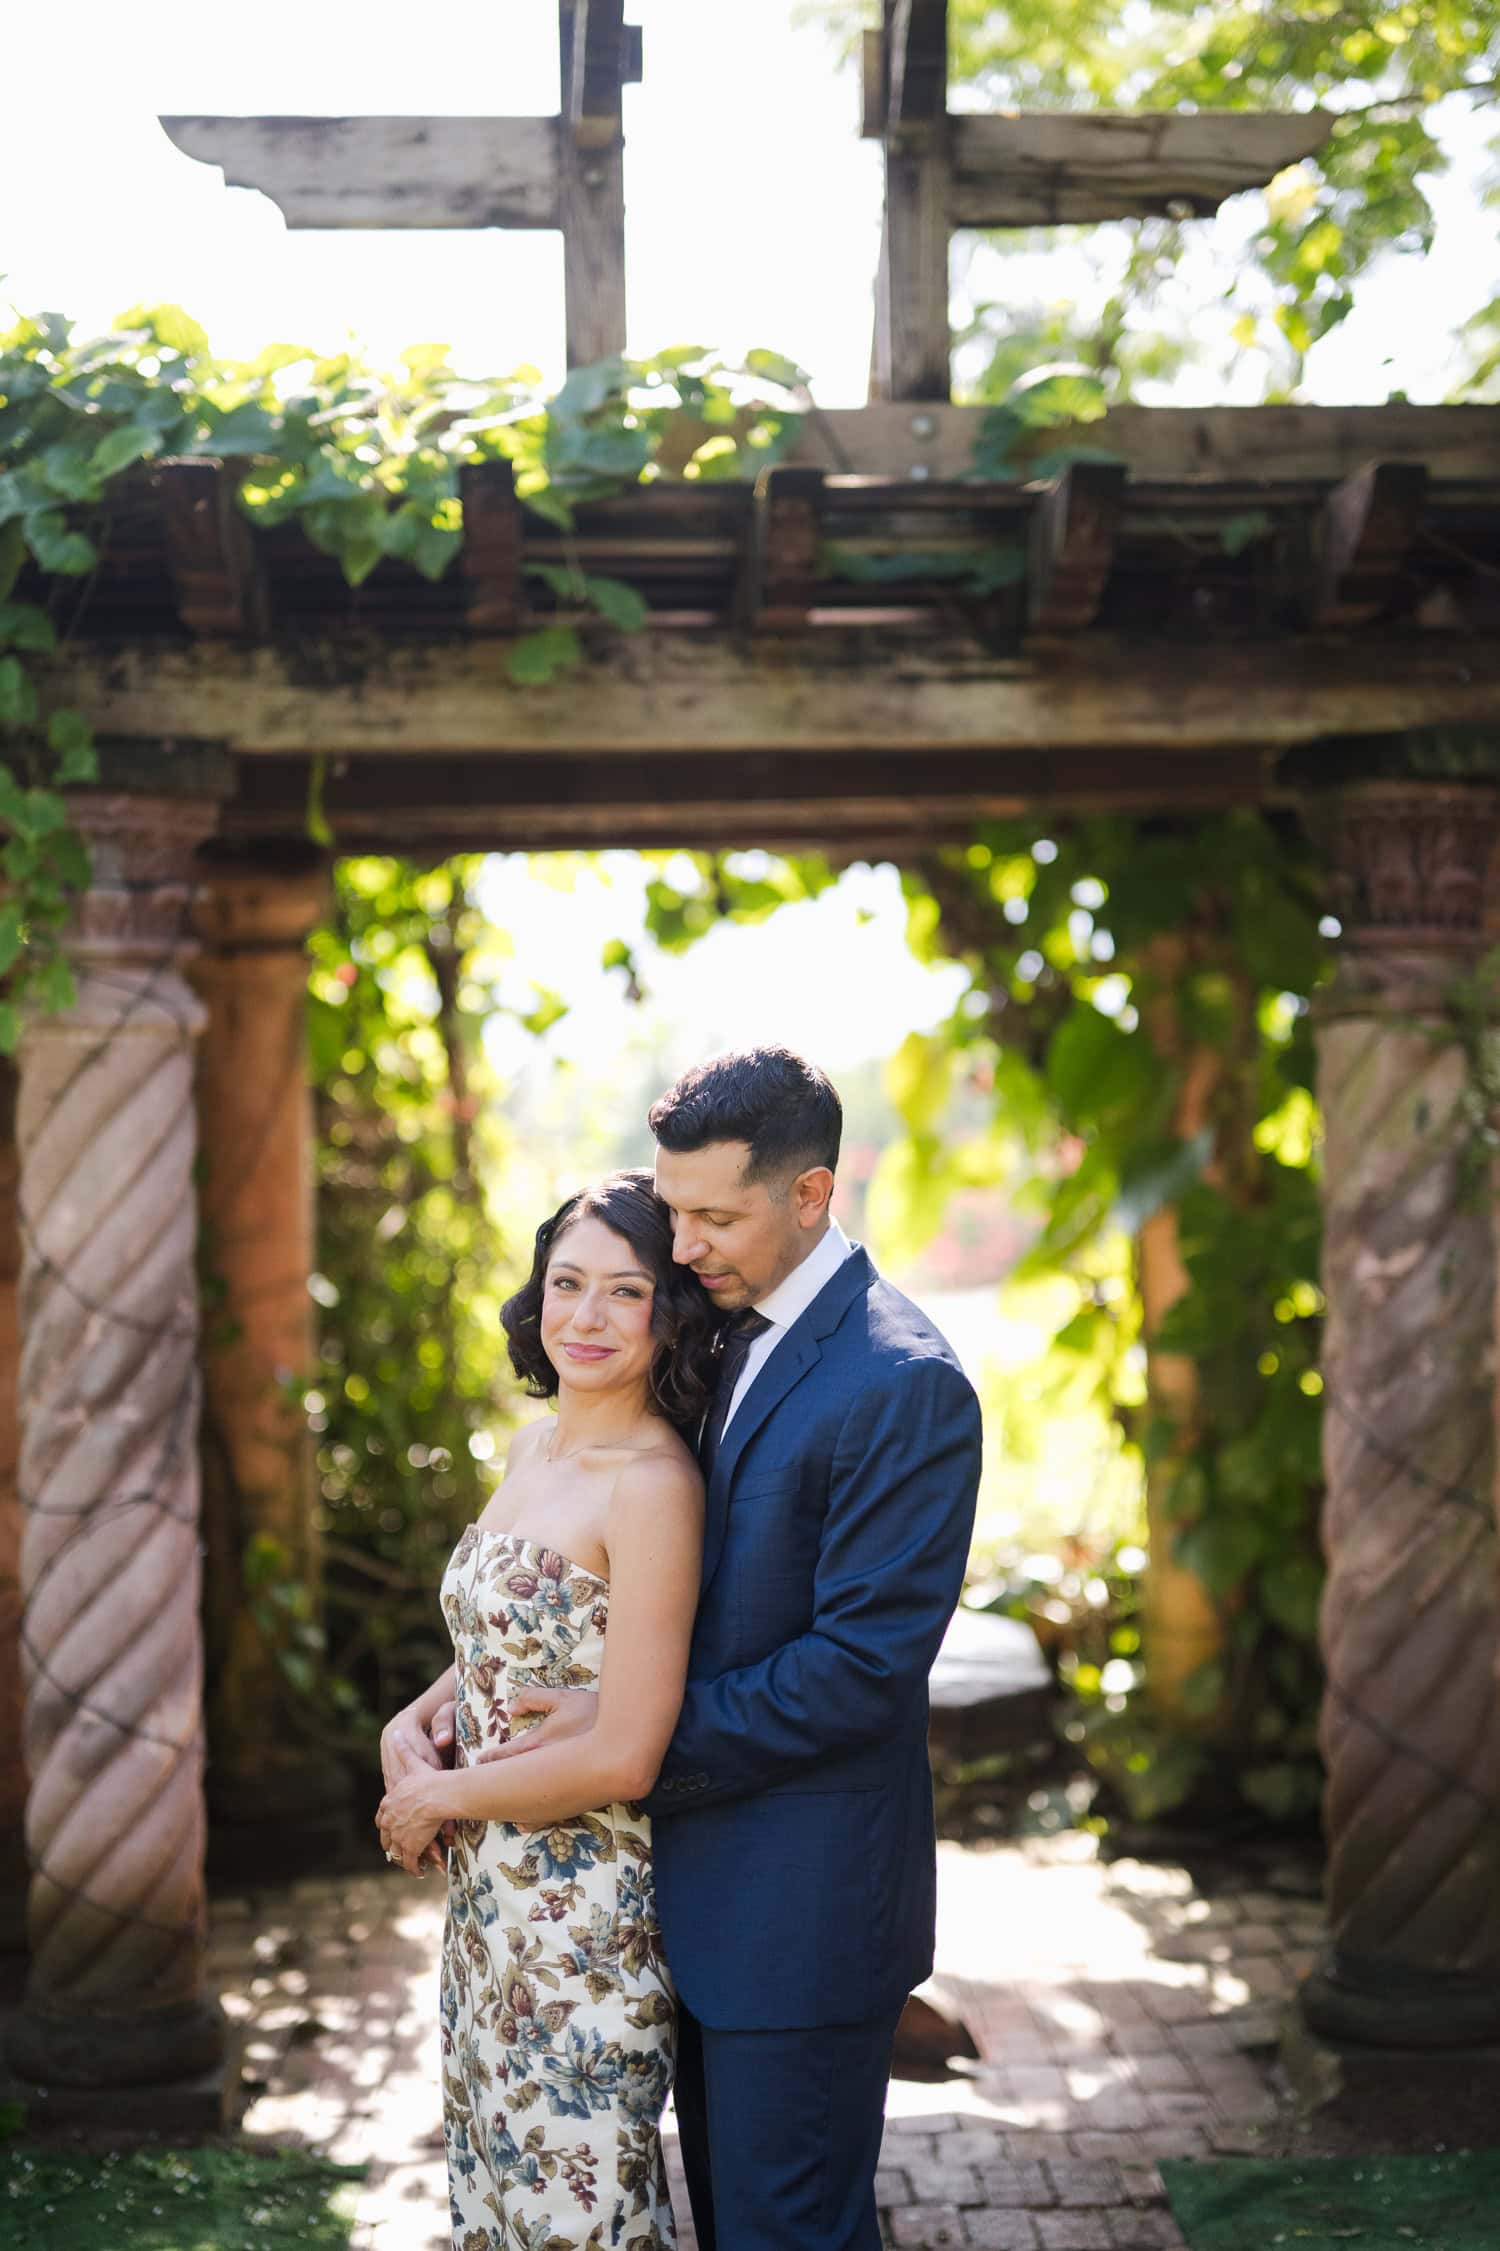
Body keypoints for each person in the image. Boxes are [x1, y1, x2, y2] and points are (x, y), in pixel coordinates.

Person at [447, 1048, 984, 2251]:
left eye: (715, 1214)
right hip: (653, 1903)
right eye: (673, 1206)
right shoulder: (719, 1331)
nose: (681, 1243)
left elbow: (859, 1670)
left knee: (786, 2232)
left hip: (799, 1911)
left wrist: (619, 1739)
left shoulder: (903, 1381)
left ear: (812, 1195)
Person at [376, 1169, 716, 2251]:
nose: (588, 1314)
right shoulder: (536, 1447)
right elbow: (500, 1637)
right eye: (568, 1282)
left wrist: (438, 1795)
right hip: (488, 1909)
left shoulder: (654, 1483)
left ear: (670, 1313)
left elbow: (624, 1749)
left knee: (581, 2217)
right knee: (498, 2203)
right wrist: (410, 1723)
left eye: (627, 1290)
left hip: (587, 1924)